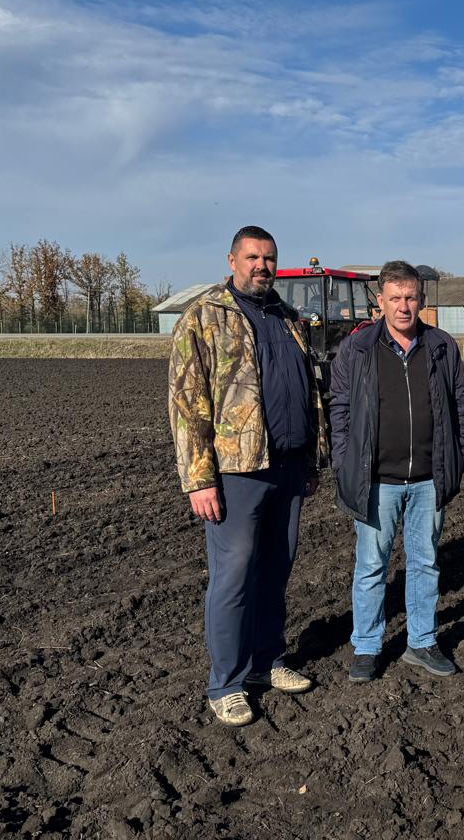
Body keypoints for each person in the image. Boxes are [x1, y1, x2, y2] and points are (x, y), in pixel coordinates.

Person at [168, 225, 327, 727]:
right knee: (232, 576)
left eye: (269, 258)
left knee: (275, 570)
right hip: (237, 471)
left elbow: (308, 388)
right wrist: (199, 478)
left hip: (289, 465)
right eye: (253, 257)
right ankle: (227, 683)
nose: (262, 265)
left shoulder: (288, 318)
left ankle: (268, 661)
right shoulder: (206, 316)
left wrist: (313, 457)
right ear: (233, 259)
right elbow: (186, 402)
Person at [329, 260, 464, 683]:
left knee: (425, 562)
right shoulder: (358, 350)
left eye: (411, 297)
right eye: (395, 298)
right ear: (381, 301)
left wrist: (459, 456)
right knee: (371, 565)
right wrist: (344, 459)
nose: (404, 306)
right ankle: (368, 646)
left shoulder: (441, 346)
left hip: (429, 479)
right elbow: (339, 408)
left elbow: (461, 405)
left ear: (421, 299)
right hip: (377, 481)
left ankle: (422, 641)